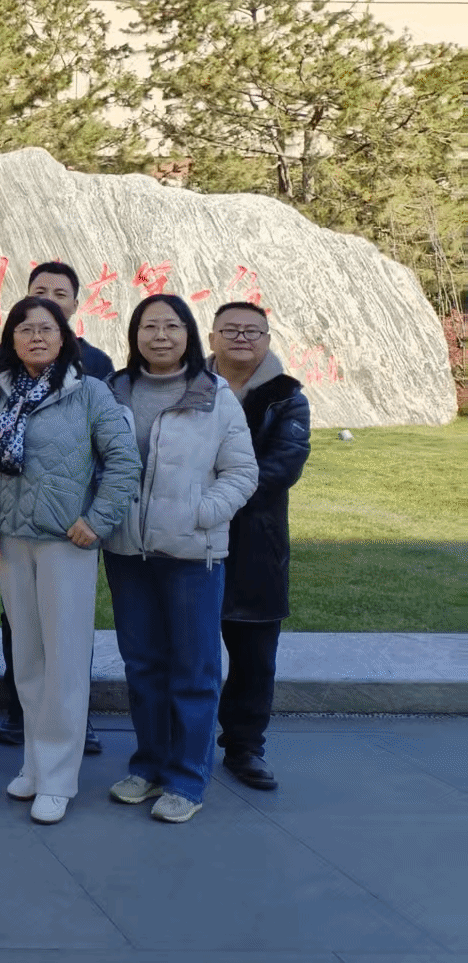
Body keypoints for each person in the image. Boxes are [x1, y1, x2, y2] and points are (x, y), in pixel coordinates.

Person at [0, 297, 140, 825]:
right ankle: (35, 766)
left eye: (46, 329)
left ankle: (59, 779)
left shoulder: (89, 392)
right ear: (11, 340)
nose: (36, 337)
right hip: (10, 541)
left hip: (67, 543)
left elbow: (123, 460)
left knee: (64, 661)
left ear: (65, 338)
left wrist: (97, 519)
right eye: (25, 329)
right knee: (29, 658)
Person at [105, 294, 258, 824]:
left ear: (190, 335)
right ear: (135, 335)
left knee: (194, 670)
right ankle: (149, 765)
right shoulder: (113, 391)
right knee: (143, 665)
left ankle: (187, 779)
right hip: (127, 552)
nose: (161, 336)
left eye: (172, 326)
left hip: (193, 555)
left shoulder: (213, 395)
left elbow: (242, 471)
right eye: (149, 326)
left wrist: (201, 513)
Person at [0, 260, 112, 753]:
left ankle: (71, 727)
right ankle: (24, 717)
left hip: (68, 526)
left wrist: (95, 515)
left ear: (74, 307)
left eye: (59, 294)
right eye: (39, 291)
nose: (48, 300)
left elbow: (113, 453)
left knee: (66, 633)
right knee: (21, 629)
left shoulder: (95, 368)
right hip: (14, 526)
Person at [208, 302, 309, 791]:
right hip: (187, 538)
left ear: (267, 339)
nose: (241, 337)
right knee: (182, 650)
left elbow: (282, 466)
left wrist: (210, 498)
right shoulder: (186, 386)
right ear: (211, 338)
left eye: (252, 330)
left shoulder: (286, 398)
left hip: (256, 542)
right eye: (230, 329)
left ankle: (245, 747)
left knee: (253, 656)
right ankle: (176, 744)